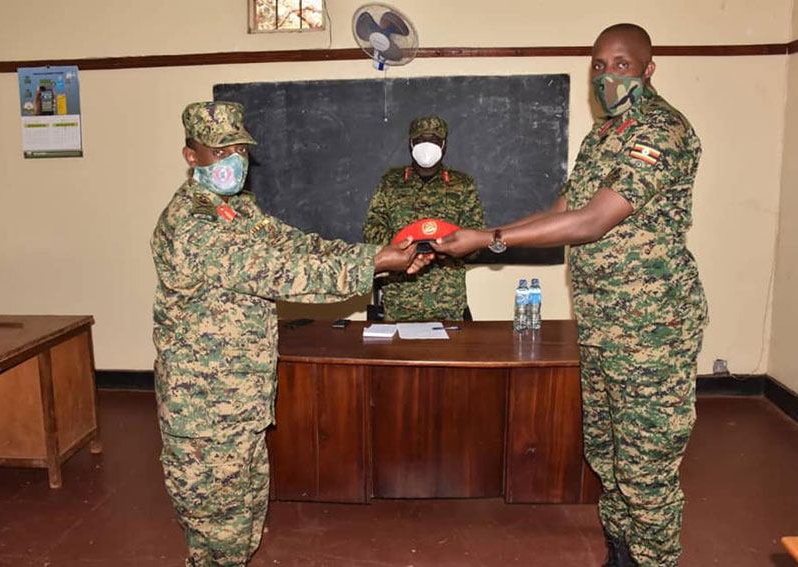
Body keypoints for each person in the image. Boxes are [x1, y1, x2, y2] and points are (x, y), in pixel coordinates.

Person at [433, 24, 707, 567]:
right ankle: (620, 556)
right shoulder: (603, 136)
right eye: (599, 66)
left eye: (622, 64)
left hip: (652, 331)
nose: (608, 76)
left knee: (645, 469)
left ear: (648, 69)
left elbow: (591, 222)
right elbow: (562, 210)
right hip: (604, 325)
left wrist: (489, 240)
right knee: (607, 455)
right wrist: (481, 240)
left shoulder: (661, 132)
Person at [151, 101, 430, 567]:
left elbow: (295, 244)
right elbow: (282, 272)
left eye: (239, 148)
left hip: (240, 398)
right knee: (216, 531)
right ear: (191, 156)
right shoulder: (192, 225)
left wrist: (376, 254)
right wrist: (376, 264)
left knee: (242, 522)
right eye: (218, 150)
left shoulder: (235, 209)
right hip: (203, 408)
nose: (232, 160)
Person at [362, 115, 486, 321]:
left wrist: (449, 249)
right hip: (399, 301)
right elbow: (372, 230)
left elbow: (478, 236)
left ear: (444, 146)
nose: (427, 145)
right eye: (420, 140)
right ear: (411, 144)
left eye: (434, 140)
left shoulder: (462, 184)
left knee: (451, 354)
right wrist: (403, 248)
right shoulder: (391, 182)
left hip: (448, 304)